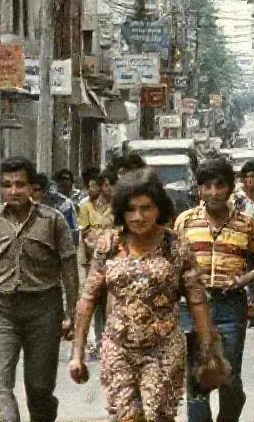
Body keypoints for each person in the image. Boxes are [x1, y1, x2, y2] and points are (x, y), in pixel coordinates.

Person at [68, 169, 218, 422]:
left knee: (158, 414)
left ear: (158, 208)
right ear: (121, 212)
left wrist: (208, 349)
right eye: (131, 210)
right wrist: (77, 353)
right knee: (127, 417)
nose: (138, 217)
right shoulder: (108, 246)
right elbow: (88, 298)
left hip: (164, 347)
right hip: (118, 348)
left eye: (146, 208)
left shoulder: (175, 246)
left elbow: (196, 299)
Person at [0, 157, 80, 422]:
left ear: (31, 187)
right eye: (7, 185)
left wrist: (72, 313)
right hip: (1, 311)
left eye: (20, 184)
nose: (13, 191)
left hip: (44, 312)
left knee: (39, 389)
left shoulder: (53, 220)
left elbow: (69, 267)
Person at [173, 160, 254, 422]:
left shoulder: (246, 225)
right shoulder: (185, 222)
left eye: (220, 185)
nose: (214, 192)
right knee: (197, 381)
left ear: (229, 188)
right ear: (199, 189)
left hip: (230, 307)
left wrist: (244, 280)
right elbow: (171, 262)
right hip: (190, 308)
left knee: (229, 380)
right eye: (207, 186)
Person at [76, 170, 116, 357]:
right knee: (95, 301)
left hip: (115, 260)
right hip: (92, 261)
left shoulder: (118, 207)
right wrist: (99, 250)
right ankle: (97, 340)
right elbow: (86, 234)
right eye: (106, 185)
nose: (108, 189)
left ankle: (111, 340)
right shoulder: (85, 207)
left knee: (112, 300)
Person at [32, 172, 79, 242]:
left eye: (36, 190)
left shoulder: (65, 205)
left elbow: (73, 233)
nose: (32, 193)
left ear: (45, 191)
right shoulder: (25, 203)